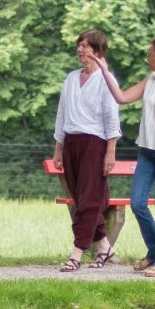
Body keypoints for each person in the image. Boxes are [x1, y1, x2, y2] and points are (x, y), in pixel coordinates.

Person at [88, 36, 155, 277]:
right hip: (147, 150)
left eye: (150, 54)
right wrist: (104, 70)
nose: (147, 58)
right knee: (137, 202)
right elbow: (121, 97)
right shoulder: (152, 79)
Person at [53, 29, 122, 272]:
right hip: (71, 143)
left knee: (89, 202)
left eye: (86, 46)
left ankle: (77, 252)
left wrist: (110, 151)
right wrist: (58, 148)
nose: (80, 49)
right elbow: (62, 114)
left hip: (95, 144)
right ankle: (105, 246)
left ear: (98, 51)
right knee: (83, 200)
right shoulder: (71, 78)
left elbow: (111, 117)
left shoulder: (106, 79)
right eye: (79, 45)